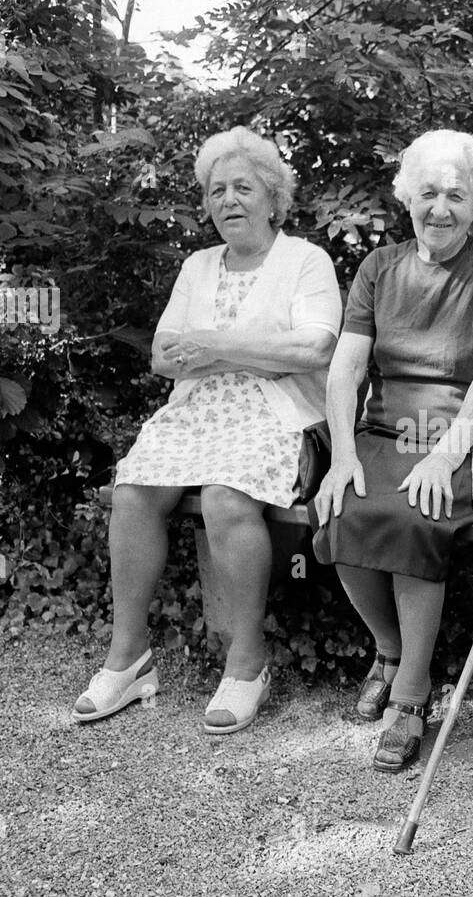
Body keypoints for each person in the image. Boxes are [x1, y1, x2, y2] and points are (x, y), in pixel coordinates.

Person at [73, 127, 342, 733]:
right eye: (217, 190)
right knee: (134, 489)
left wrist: (214, 346)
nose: (228, 200)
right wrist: (246, 351)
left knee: (225, 494)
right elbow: (165, 357)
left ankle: (247, 662)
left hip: (283, 417)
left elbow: (312, 348)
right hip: (194, 414)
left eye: (243, 187)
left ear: (273, 198)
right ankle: (130, 656)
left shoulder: (305, 261)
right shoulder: (197, 267)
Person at [312, 129, 473, 771]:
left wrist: (444, 456)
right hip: (379, 433)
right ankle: (389, 649)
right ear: (407, 197)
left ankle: (410, 697)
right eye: (428, 193)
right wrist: (342, 454)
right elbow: (346, 370)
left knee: (414, 515)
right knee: (340, 508)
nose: (440, 208)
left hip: (458, 433)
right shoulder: (379, 268)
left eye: (456, 195)